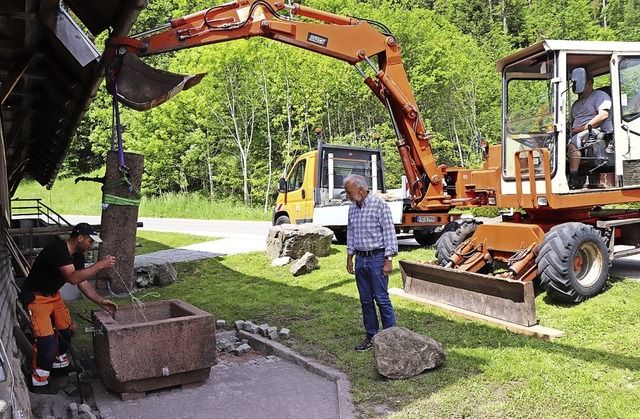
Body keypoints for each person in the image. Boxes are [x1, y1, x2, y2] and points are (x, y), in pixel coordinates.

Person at [19, 223, 117, 387]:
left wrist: (100, 301)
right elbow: (72, 277)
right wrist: (100, 265)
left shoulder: (77, 256)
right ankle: (39, 380)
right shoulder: (58, 249)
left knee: (65, 329)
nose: (91, 245)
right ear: (80, 238)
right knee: (46, 341)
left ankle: (59, 363)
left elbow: (82, 281)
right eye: (90, 241)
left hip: (53, 296)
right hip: (37, 298)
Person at [344, 174, 398, 352]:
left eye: (349, 192)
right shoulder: (352, 208)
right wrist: (350, 257)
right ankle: (371, 336)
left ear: (361, 189)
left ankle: (390, 337)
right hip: (361, 259)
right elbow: (350, 233)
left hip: (377, 258)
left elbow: (390, 234)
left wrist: (388, 260)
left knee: (381, 298)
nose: (348, 196)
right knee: (365, 300)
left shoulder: (380, 206)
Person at [567, 70, 613, 189]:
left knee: (573, 142)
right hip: (577, 131)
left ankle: (573, 176)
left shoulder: (600, 96)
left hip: (597, 131)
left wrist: (582, 128)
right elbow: (571, 122)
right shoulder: (576, 103)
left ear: (590, 83)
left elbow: (603, 115)